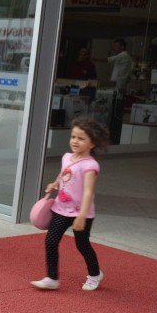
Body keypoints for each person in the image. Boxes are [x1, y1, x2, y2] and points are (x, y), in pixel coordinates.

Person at [31, 116, 108, 292]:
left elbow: (89, 191)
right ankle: (52, 278)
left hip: (81, 213)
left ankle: (95, 274)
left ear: (92, 143)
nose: (75, 141)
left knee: (82, 245)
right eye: (73, 137)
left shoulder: (90, 165)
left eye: (81, 138)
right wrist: (56, 183)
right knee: (51, 241)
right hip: (61, 208)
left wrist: (81, 216)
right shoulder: (67, 157)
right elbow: (64, 173)